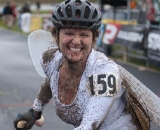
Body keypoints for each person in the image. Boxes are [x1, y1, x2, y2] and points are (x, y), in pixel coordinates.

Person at [13, 0, 160, 130]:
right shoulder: (50, 59)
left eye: (84, 35)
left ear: (93, 40)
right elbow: (49, 81)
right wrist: (35, 112)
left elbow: (89, 126)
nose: (76, 41)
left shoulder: (104, 72)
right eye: (69, 33)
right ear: (56, 36)